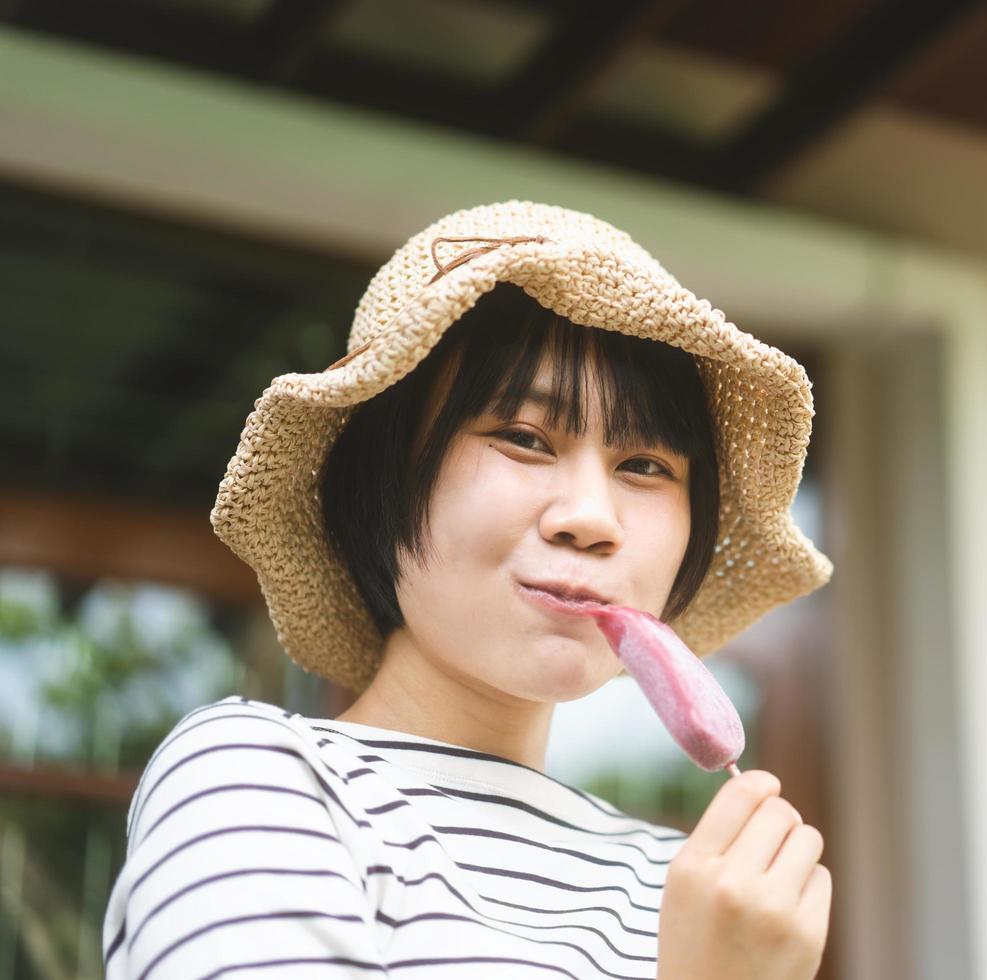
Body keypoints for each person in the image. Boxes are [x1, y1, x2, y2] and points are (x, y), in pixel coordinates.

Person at [100, 201, 835, 979]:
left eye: (646, 466)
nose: (591, 519)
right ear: (379, 485)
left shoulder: (689, 888)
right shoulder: (261, 777)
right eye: (524, 438)